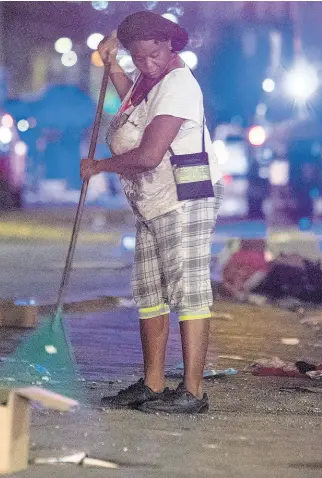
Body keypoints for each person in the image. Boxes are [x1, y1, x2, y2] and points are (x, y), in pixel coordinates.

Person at [80, 11, 223, 414]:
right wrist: (112, 61)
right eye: (139, 57)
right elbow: (132, 107)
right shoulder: (149, 82)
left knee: (188, 290)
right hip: (152, 200)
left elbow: (148, 154)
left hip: (185, 197)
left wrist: (98, 167)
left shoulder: (178, 85)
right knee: (151, 293)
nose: (148, 65)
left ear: (170, 46)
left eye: (154, 54)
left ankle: (193, 392)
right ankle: (153, 383)